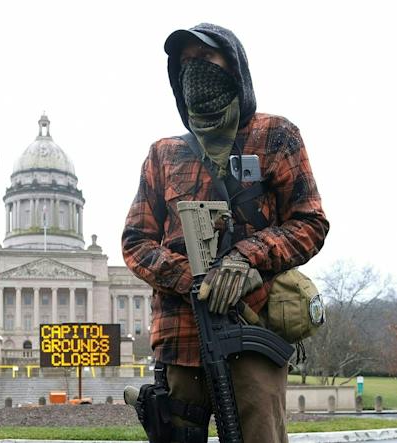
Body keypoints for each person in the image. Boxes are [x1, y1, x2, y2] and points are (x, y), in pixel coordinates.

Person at [121, 23, 329, 442]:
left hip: (254, 324)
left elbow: (310, 222)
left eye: (207, 58)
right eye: (186, 62)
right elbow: (135, 243)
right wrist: (195, 281)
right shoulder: (163, 154)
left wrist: (246, 258)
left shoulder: (276, 135)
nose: (195, 68)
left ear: (234, 64)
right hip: (180, 334)